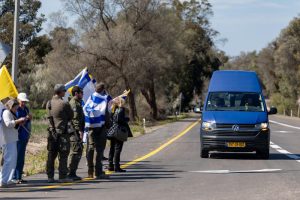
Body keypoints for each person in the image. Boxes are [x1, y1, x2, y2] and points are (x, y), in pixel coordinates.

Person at [46, 84, 74, 183]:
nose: (65, 92)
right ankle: (62, 176)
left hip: (51, 133)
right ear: (60, 91)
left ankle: (50, 176)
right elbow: (71, 115)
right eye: (64, 90)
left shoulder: (49, 103)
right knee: (63, 155)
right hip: (62, 133)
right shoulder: (64, 103)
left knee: (51, 155)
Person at [84, 82, 110, 179]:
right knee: (99, 150)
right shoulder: (104, 99)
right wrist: (108, 125)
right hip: (101, 127)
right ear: (103, 90)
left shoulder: (90, 98)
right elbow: (106, 115)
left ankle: (90, 172)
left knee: (90, 149)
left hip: (90, 127)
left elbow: (85, 110)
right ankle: (98, 172)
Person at [0, 99, 27, 188]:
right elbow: (8, 124)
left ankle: (8, 179)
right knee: (8, 160)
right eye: (15, 108)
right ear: (11, 106)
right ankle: (3, 180)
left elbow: (13, 126)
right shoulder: (6, 113)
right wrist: (18, 121)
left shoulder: (11, 113)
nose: (16, 110)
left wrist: (19, 122)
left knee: (12, 160)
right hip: (7, 140)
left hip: (12, 139)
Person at [108, 97, 133, 172]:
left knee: (112, 148)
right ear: (121, 102)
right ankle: (117, 167)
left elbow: (112, 119)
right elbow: (119, 119)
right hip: (119, 131)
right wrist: (126, 119)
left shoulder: (112, 109)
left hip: (112, 131)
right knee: (117, 149)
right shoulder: (121, 109)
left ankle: (110, 165)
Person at [13, 93, 32, 184]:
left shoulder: (26, 109)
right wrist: (26, 119)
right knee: (18, 157)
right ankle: (15, 177)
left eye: (24, 101)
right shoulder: (17, 110)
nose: (23, 103)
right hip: (18, 136)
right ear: (18, 100)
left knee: (22, 157)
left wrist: (28, 118)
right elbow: (18, 124)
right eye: (22, 101)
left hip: (25, 135)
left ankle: (19, 176)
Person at [68, 86, 84, 180]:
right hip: (74, 132)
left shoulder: (78, 103)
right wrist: (79, 131)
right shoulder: (74, 104)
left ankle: (72, 172)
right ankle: (71, 173)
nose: (82, 94)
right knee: (75, 151)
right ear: (76, 93)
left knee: (77, 150)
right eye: (81, 92)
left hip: (76, 131)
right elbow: (75, 119)